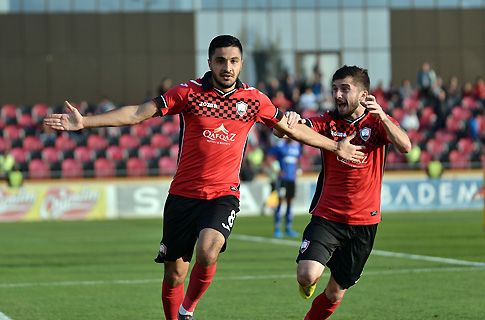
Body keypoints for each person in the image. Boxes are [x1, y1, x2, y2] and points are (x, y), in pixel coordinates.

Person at [43, 35, 366, 320]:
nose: (228, 67)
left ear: (241, 64)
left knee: (209, 250)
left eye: (235, 61)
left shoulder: (254, 100)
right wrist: (85, 122)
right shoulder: (188, 93)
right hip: (183, 196)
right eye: (221, 60)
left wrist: (336, 146)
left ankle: (188, 311)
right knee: (174, 276)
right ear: (209, 62)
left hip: (223, 195)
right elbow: (138, 114)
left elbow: (292, 130)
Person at [275, 65, 411, 320]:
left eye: (344, 89)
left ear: (363, 95)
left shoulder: (378, 123)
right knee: (306, 274)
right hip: (327, 217)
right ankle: (307, 282)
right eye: (334, 89)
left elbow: (405, 146)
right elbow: (280, 130)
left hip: (364, 222)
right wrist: (288, 121)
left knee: (336, 293)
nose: (337, 95)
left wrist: (382, 116)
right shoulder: (328, 121)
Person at [267, 138, 302, 238]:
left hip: (292, 179)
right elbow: (268, 157)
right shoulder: (280, 146)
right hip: (283, 179)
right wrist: (276, 171)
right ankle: (277, 228)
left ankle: (288, 228)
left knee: (290, 201)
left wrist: (298, 169)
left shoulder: (296, 146)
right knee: (281, 201)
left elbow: (299, 158)